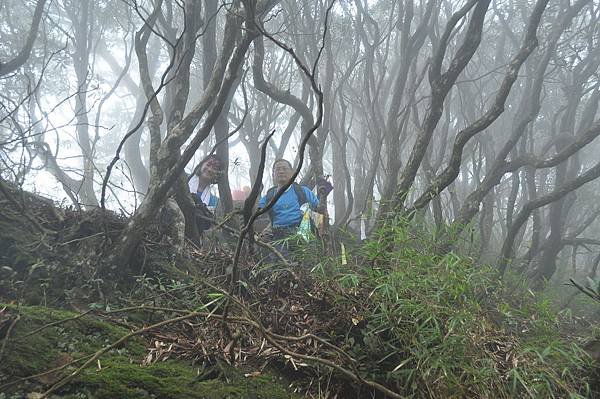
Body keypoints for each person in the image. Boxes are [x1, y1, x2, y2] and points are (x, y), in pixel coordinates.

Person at [258, 159, 320, 245]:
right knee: (280, 258)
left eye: (284, 169)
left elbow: (319, 209)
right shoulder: (269, 196)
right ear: (273, 174)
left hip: (303, 236)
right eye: (278, 169)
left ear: (291, 173)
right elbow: (258, 212)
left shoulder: (303, 192)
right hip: (279, 239)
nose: (281, 171)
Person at [188, 154, 223, 234]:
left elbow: (207, 223)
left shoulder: (213, 200)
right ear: (201, 165)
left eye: (214, 168)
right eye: (208, 164)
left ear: (217, 174)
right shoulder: (185, 179)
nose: (210, 169)